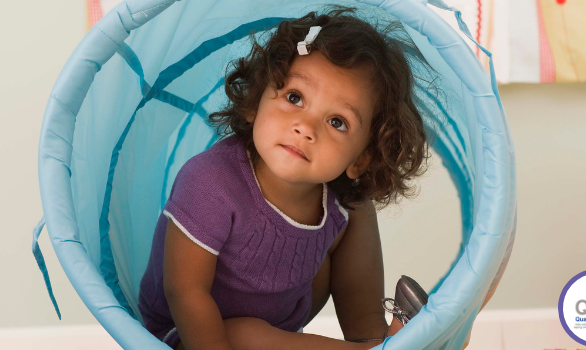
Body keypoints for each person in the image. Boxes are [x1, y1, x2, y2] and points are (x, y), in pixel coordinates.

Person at [138, 6, 435, 350]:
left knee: (355, 205)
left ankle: (373, 337)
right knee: (243, 334)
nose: (305, 128)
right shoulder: (210, 182)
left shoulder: (340, 200)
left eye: (337, 122)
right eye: (295, 98)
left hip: (283, 313)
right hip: (194, 331)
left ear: (360, 159)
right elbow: (184, 292)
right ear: (255, 101)